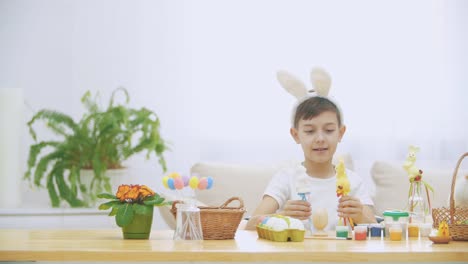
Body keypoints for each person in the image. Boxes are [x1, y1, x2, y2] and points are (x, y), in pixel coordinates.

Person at [245, 69, 376, 231]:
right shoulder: (286, 179)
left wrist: (360, 215)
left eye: (328, 130)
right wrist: (281, 217)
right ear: (296, 135)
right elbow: (250, 226)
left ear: (340, 133)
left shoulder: (353, 182)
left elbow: (376, 230)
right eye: (309, 131)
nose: (320, 138)